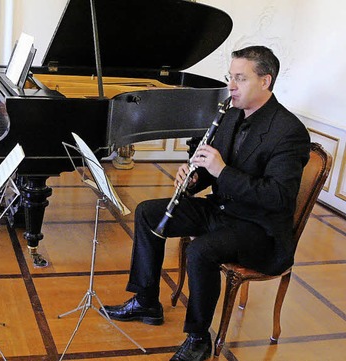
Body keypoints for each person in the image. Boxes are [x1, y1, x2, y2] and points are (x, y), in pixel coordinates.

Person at [101, 45, 310, 361]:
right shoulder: (231, 112)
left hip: (259, 228)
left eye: (240, 78)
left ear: (266, 81)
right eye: (230, 77)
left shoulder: (288, 132)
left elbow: (277, 197)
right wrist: (195, 176)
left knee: (201, 250)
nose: (231, 85)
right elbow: (210, 165)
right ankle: (146, 301)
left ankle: (199, 338)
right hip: (223, 209)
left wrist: (221, 170)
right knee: (148, 212)